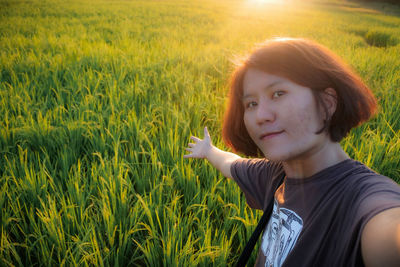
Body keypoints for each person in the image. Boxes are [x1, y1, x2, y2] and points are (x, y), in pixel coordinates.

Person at [183, 38, 400, 267]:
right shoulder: (274, 175)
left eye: (278, 93)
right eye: (251, 104)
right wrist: (208, 150)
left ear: (327, 103)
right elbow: (231, 163)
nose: (261, 116)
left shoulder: (363, 198)